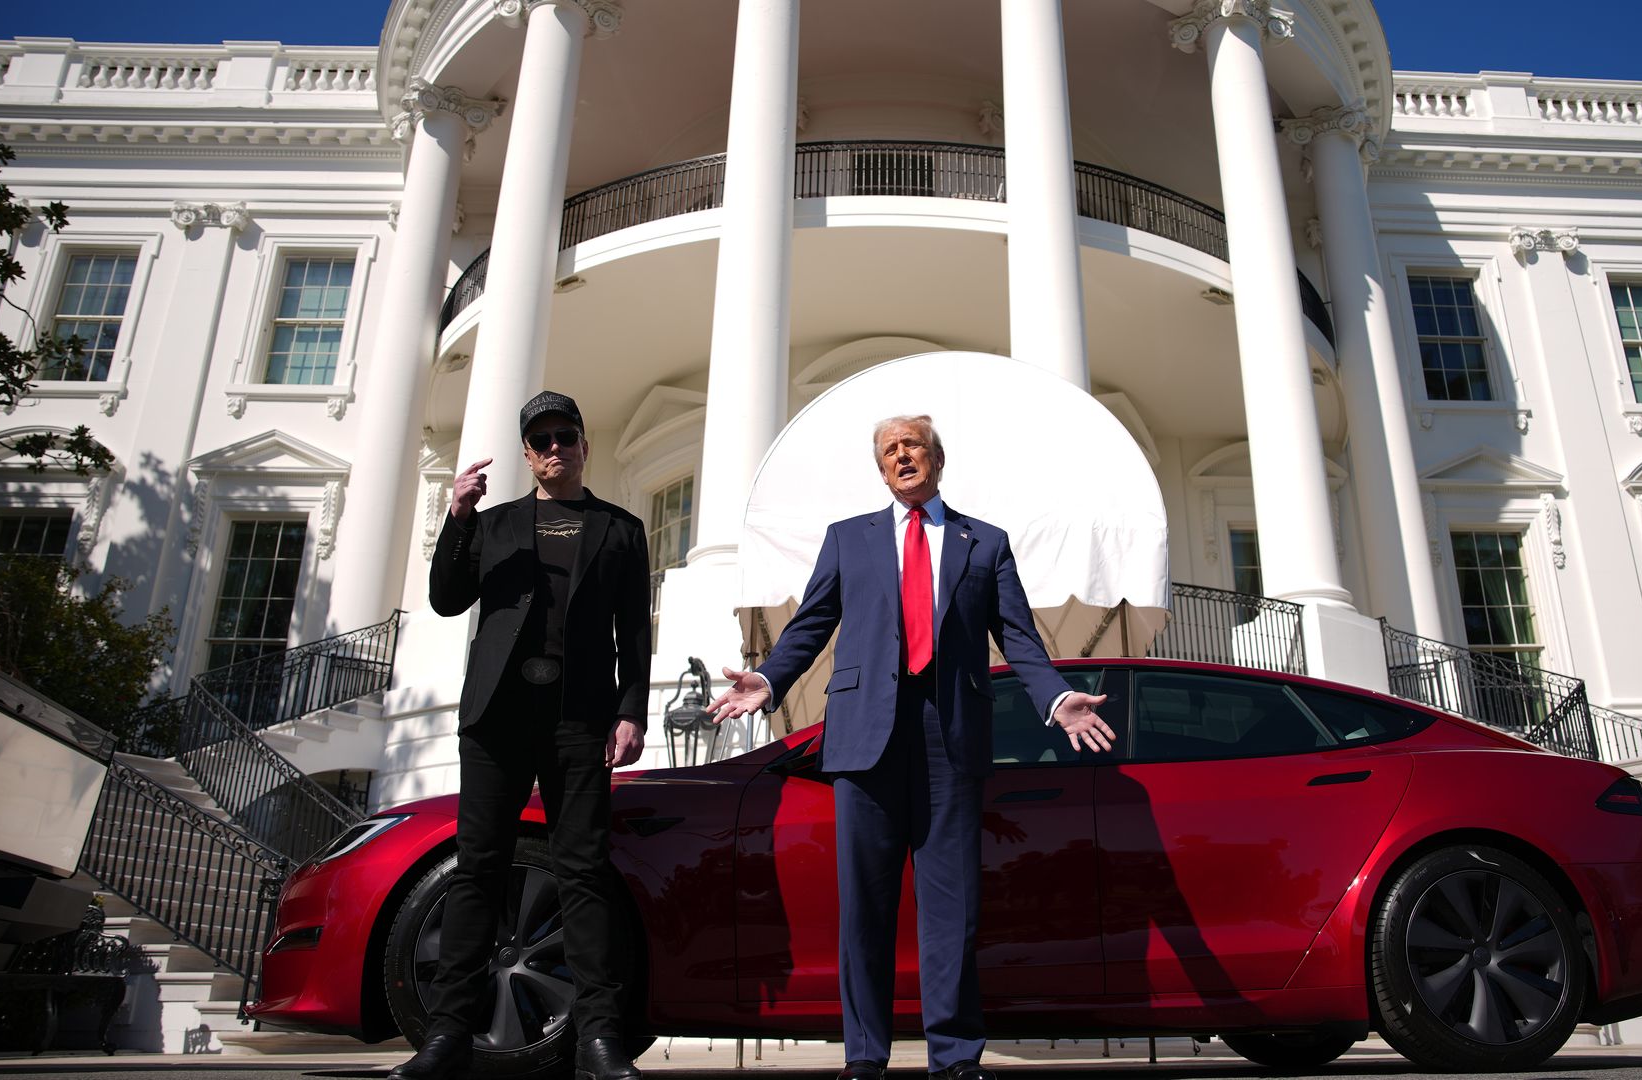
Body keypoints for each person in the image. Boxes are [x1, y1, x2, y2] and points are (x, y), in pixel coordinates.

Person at [707, 414, 1114, 1080]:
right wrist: (771, 679)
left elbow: (1018, 637)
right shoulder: (849, 539)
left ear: (937, 458)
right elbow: (811, 625)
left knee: (952, 907)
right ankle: (865, 1057)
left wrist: (1053, 696)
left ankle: (954, 1058)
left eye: (913, 446)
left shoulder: (985, 542)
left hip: (949, 735)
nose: (902, 457)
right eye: (890, 450)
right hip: (864, 735)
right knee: (864, 905)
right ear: (881, 468)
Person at [392, 391, 652, 1080]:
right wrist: (458, 515)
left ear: (583, 444)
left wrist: (632, 711)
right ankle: (448, 1037)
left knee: (584, 873)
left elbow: (636, 635)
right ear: (528, 455)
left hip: (581, 718)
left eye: (566, 435)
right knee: (479, 870)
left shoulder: (620, 529)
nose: (555, 448)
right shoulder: (496, 524)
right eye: (540, 440)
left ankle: (600, 1040)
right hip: (497, 718)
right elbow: (448, 598)